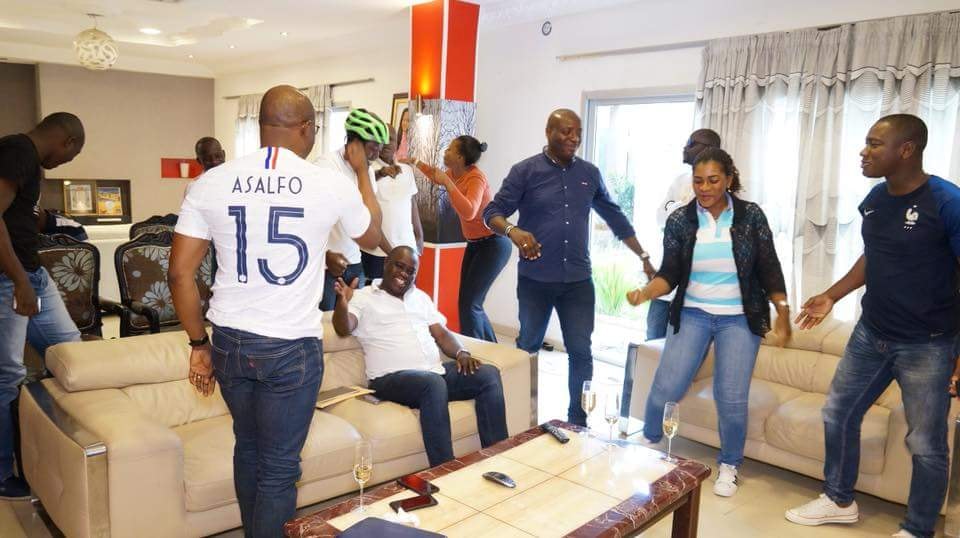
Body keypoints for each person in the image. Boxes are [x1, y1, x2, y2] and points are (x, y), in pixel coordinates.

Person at [169, 85, 382, 537]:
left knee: (248, 447)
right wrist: (363, 172)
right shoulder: (329, 183)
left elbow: (179, 274)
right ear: (305, 128)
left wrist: (198, 344)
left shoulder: (211, 182)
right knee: (279, 467)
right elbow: (372, 235)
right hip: (290, 347)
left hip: (229, 341)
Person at [786, 115, 957, 538]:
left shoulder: (946, 202)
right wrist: (832, 295)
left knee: (925, 443)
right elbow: (873, 255)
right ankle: (839, 500)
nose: (864, 152)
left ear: (907, 149)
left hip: (928, 344)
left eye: (875, 144)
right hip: (872, 333)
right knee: (838, 412)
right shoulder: (876, 198)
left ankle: (917, 530)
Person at [625, 147, 790, 497]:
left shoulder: (750, 216)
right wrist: (645, 292)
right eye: (698, 181)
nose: (705, 188)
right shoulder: (681, 221)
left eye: (713, 180)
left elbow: (770, 268)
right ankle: (650, 442)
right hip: (693, 314)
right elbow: (670, 273)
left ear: (728, 179)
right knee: (667, 386)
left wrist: (784, 310)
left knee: (730, 396)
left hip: (739, 319)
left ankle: (729, 465)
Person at [482, 108, 657, 426]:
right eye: (566, 131)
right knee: (527, 348)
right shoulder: (525, 171)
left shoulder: (589, 173)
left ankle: (578, 422)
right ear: (548, 131)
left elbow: (615, 218)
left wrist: (643, 256)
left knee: (580, 351)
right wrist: (513, 231)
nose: (574, 138)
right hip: (535, 280)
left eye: (578, 132)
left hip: (578, 281)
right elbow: (492, 213)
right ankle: (521, 419)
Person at [332, 246, 508, 467]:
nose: (404, 274)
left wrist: (462, 353)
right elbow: (344, 328)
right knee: (432, 384)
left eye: (410, 271)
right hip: (389, 379)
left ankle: (499, 457)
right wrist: (342, 303)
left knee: (488, 374)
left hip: (433, 374)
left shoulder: (420, 298)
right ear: (386, 263)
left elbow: (441, 334)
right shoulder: (363, 297)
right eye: (399, 266)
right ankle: (445, 469)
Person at [0, 112, 85, 499]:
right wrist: (19, 281)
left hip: (32, 274)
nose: (65, 163)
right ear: (67, 141)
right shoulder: (18, 151)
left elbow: (19, 216)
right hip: (10, 279)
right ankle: (3, 472)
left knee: (72, 357)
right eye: (70, 157)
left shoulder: (28, 161)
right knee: (7, 376)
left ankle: (63, 446)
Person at [408, 136, 509, 342]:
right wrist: (415, 162)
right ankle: (492, 348)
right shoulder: (453, 174)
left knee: (470, 304)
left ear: (460, 157)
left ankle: (474, 351)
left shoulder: (476, 178)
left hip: (493, 244)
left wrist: (448, 183)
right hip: (475, 244)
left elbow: (470, 211)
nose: (445, 152)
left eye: (450, 150)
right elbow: (435, 175)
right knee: (469, 303)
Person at [647, 129, 721, 341]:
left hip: (694, 286)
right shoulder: (680, 180)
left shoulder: (719, 184)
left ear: (707, 149)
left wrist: (674, 206)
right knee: (651, 340)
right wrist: (681, 208)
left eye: (691, 143)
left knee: (680, 344)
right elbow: (660, 216)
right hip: (665, 279)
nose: (685, 147)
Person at [316, 109, 389, 310]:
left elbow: (373, 224)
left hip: (354, 263)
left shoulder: (366, 172)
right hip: (327, 267)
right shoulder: (326, 167)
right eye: (372, 148)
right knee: (327, 324)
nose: (376, 155)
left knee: (356, 322)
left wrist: (392, 254)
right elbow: (309, 222)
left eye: (379, 149)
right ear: (354, 142)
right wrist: (325, 255)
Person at [360, 124, 423, 280]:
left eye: (392, 139)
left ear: (397, 143)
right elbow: (363, 188)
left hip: (407, 249)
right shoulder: (367, 169)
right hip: (376, 252)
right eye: (382, 138)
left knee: (405, 292)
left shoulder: (406, 170)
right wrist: (382, 173)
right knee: (374, 294)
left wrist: (419, 236)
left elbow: (412, 203)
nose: (387, 143)